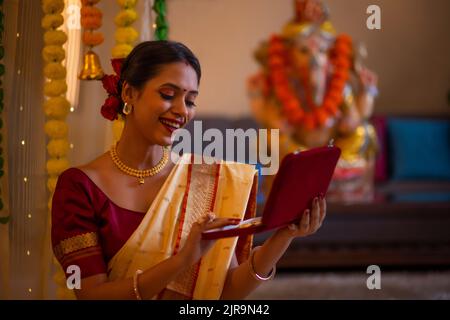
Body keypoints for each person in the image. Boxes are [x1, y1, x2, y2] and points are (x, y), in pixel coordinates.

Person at [51, 40, 327, 300]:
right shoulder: (79, 186)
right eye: (168, 95)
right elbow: (88, 294)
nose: (182, 111)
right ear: (128, 92)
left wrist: (285, 235)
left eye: (191, 100)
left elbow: (227, 290)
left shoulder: (207, 179)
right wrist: (182, 260)